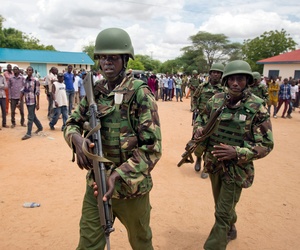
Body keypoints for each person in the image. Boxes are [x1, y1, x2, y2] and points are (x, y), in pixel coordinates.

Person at [63, 27, 162, 250]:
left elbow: (152, 148)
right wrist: (76, 140)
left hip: (131, 190)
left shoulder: (140, 93)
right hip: (97, 185)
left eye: (114, 57)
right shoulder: (94, 92)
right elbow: (71, 124)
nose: (107, 62)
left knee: (141, 243)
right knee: (88, 244)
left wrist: (117, 175)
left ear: (125, 59)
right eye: (103, 57)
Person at [193, 60, 274, 250]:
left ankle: (215, 245)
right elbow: (201, 117)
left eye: (240, 79)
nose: (236, 83)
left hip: (236, 168)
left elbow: (266, 144)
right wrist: (198, 129)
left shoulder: (257, 107)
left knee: (221, 213)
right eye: (232, 79)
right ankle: (231, 225)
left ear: (248, 81)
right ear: (226, 81)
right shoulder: (216, 100)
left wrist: (237, 152)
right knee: (221, 204)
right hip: (213, 163)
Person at [192, 63, 225, 178]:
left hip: (215, 121)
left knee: (211, 144)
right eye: (214, 72)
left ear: (221, 75)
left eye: (218, 73)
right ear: (210, 74)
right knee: (198, 142)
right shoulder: (202, 86)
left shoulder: (223, 89)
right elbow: (195, 97)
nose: (216, 74)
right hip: (202, 118)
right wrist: (195, 108)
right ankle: (198, 159)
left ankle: (206, 166)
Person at [20, 66, 43, 140]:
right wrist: (20, 100)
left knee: (30, 117)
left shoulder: (35, 80)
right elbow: (23, 90)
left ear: (32, 72)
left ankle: (28, 133)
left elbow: (38, 92)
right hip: (27, 100)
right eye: (27, 70)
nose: (28, 71)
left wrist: (38, 104)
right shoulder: (25, 80)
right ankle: (40, 127)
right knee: (33, 115)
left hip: (32, 101)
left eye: (30, 70)